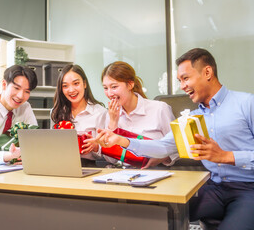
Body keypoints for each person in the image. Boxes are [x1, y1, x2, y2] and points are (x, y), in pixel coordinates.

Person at [93, 48, 254, 229]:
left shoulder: (247, 103)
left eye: (186, 78)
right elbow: (163, 147)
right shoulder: (191, 118)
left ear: (207, 72)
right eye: (180, 81)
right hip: (214, 189)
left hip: (248, 189)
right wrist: (122, 140)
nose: (182, 86)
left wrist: (226, 156)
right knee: (153, 215)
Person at [101, 61, 176, 168]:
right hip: (123, 173)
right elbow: (111, 159)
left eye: (114, 87)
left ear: (130, 84)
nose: (109, 93)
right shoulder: (110, 114)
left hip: (157, 171)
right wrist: (113, 124)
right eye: (105, 88)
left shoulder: (159, 109)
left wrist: (160, 157)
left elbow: (176, 147)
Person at [51, 64, 107, 167]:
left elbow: (109, 156)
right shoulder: (57, 112)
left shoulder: (100, 112)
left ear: (84, 84)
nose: (71, 90)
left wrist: (95, 147)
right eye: (65, 86)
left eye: (76, 83)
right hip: (60, 165)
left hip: (90, 167)